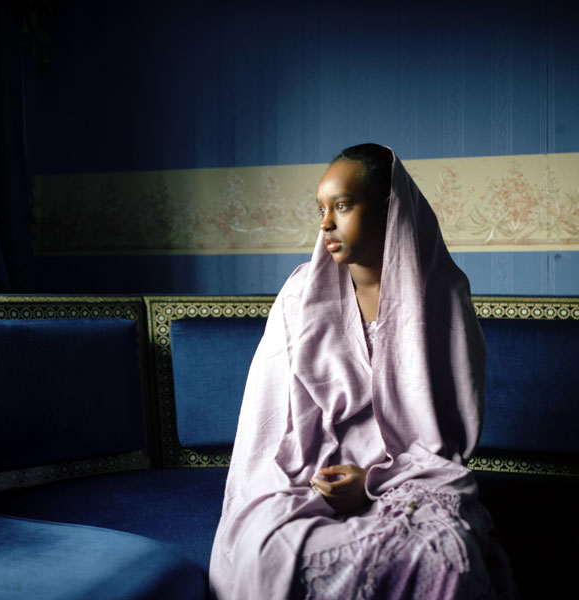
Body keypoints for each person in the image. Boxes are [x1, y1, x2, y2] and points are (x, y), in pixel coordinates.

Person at [209, 144, 516, 599]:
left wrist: (374, 481)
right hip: (309, 477)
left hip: (410, 479)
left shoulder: (443, 296)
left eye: (343, 206)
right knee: (268, 547)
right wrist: (321, 480)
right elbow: (269, 424)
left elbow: (448, 434)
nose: (325, 224)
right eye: (321, 209)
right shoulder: (299, 297)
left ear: (389, 208)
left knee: (443, 551)